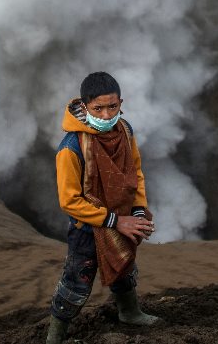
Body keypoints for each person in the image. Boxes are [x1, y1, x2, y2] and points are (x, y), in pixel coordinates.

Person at [44, 71, 160, 344]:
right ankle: (54, 338)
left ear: (121, 102)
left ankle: (130, 313)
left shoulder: (125, 131)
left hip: (122, 216)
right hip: (87, 228)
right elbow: (69, 201)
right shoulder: (71, 148)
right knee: (76, 282)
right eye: (98, 108)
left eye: (112, 106)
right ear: (84, 107)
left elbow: (136, 173)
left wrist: (138, 210)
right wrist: (114, 221)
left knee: (124, 267)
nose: (107, 115)